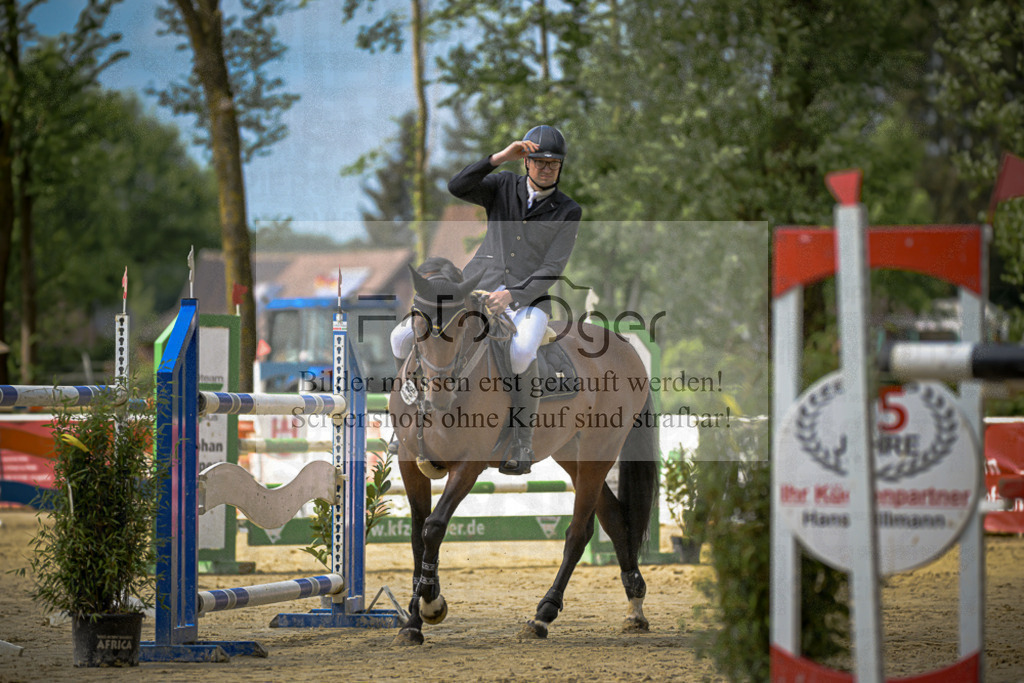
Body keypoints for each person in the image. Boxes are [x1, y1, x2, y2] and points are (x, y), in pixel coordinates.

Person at [389, 125, 582, 475]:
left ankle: (522, 439)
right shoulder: (502, 185)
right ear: (527, 161)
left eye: (553, 163)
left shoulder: (567, 210)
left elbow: (554, 266)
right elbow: (456, 186)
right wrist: (499, 158)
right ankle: (405, 419)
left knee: (522, 352)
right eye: (538, 161)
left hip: (528, 301)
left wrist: (514, 293)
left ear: (560, 166)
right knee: (400, 337)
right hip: (474, 287)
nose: (545, 168)